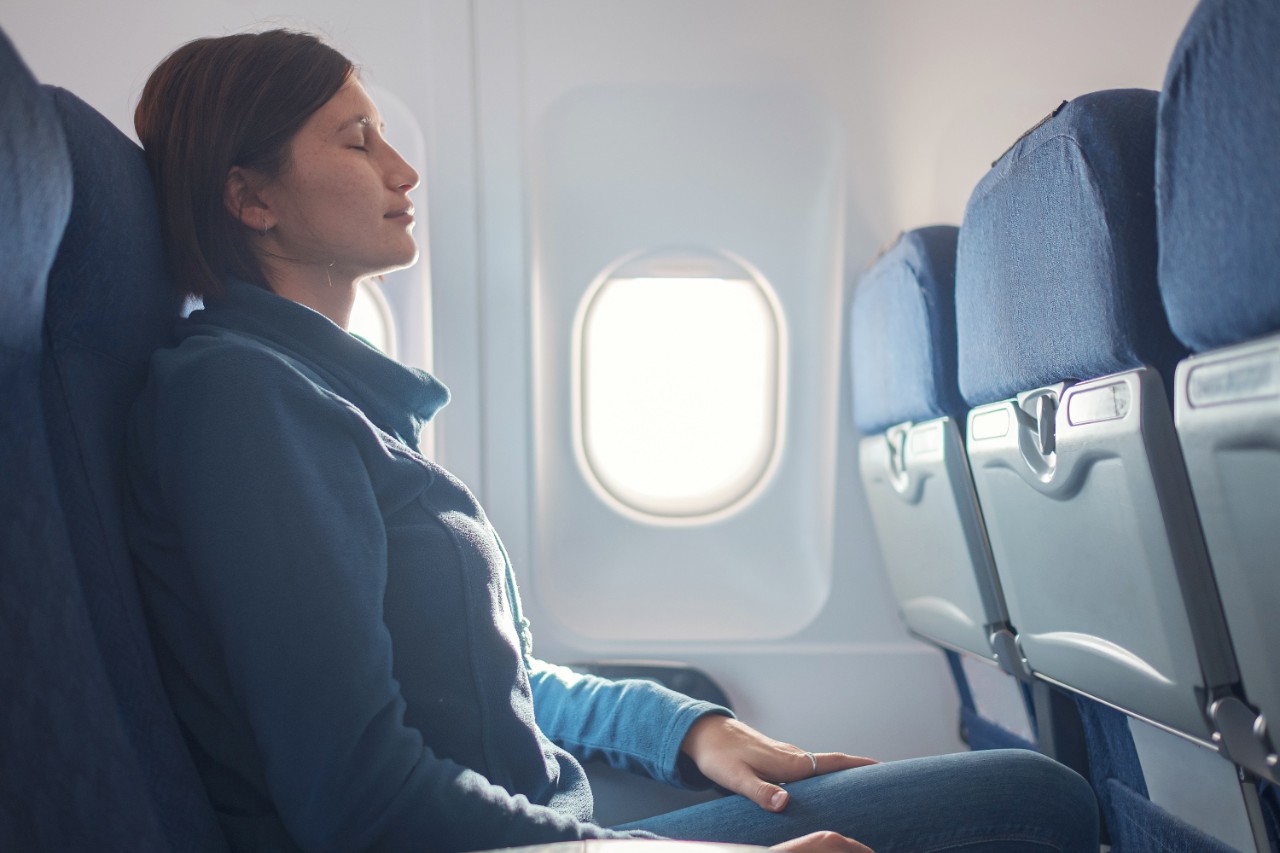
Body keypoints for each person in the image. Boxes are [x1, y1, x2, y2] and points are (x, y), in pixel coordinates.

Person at [125, 29, 1099, 853]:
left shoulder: (323, 395)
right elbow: (360, 798)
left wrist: (688, 727)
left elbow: (484, 680)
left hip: (541, 817)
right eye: (357, 140)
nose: (402, 168)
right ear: (252, 198)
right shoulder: (243, 403)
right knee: (1030, 800)